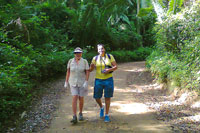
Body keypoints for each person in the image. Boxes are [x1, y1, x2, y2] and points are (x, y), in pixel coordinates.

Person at [89, 44, 117, 122]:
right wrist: (91, 67)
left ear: (104, 49)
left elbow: (115, 67)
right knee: (96, 97)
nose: (101, 50)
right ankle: (101, 107)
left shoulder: (109, 56)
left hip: (108, 79)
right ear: (97, 50)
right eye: (99, 49)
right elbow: (91, 70)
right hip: (98, 80)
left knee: (107, 97)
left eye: (102, 48)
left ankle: (107, 115)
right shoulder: (95, 58)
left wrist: (109, 70)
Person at [65, 47, 89, 124]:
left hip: (82, 82)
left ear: (81, 53)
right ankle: (74, 116)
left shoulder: (84, 61)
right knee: (75, 96)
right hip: (72, 82)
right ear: (74, 54)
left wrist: (86, 81)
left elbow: (87, 71)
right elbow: (68, 71)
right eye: (77, 53)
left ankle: (80, 113)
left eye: (80, 53)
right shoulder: (70, 61)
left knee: (81, 97)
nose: (78, 54)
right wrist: (66, 81)